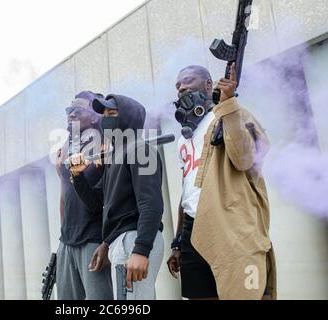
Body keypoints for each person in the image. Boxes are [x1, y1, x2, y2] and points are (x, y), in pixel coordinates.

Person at [166, 64, 277, 300]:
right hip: (192, 232)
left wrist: (228, 106)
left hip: (230, 227)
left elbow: (245, 160)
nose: (181, 87)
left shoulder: (234, 115)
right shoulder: (183, 140)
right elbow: (188, 192)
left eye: (187, 80)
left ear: (208, 85)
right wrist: (177, 242)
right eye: (177, 85)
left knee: (246, 294)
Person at [69, 94, 164, 300]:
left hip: (134, 239)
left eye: (112, 114)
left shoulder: (141, 149)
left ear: (128, 118)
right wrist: (78, 176)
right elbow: (96, 202)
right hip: (121, 243)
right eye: (103, 114)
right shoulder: (115, 156)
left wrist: (141, 249)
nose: (106, 119)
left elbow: (151, 204)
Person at [55, 91, 113, 300]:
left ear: (95, 116)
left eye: (77, 110)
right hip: (67, 242)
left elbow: (107, 202)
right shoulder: (67, 150)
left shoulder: (105, 148)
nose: (71, 115)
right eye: (69, 110)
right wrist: (63, 238)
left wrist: (105, 243)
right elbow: (64, 197)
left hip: (93, 240)